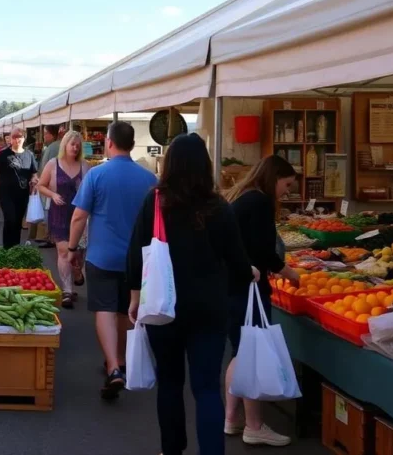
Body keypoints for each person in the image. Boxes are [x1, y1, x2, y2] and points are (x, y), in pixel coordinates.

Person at [126, 133, 258, 455]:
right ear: (205, 165)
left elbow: (135, 254)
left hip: (163, 308)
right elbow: (238, 262)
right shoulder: (219, 207)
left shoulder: (155, 202)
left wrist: (134, 298)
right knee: (207, 388)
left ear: (170, 164)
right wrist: (249, 273)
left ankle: (172, 449)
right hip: (209, 310)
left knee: (170, 383)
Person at [68, 121, 157, 399]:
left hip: (102, 256)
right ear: (132, 144)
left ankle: (113, 367)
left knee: (104, 309)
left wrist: (72, 248)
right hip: (138, 259)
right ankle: (120, 359)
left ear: (109, 142)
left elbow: (79, 217)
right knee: (126, 310)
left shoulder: (97, 175)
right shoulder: (150, 179)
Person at [223, 155, 301, 447]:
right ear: (274, 178)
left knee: (240, 351)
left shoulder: (244, 196)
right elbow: (264, 251)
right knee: (251, 353)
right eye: (287, 185)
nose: (287, 192)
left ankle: (232, 417)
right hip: (247, 288)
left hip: (232, 286)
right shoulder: (259, 202)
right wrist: (290, 273)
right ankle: (254, 426)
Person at [35, 131, 88, 308]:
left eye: (78, 145)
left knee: (78, 253)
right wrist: (53, 194)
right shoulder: (53, 164)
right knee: (64, 251)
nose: (75, 148)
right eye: (72, 144)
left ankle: (77, 272)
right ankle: (67, 290)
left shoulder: (85, 166)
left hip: (79, 214)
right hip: (59, 213)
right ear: (65, 145)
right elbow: (41, 185)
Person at [0, 128, 38, 249]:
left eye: (19, 136)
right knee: (10, 219)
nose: (17, 139)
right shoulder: (2, 155)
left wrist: (34, 180)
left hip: (22, 194)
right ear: (10, 139)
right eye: (14, 137)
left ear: (24, 138)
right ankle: (7, 249)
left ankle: (15, 249)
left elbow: (34, 173)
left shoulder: (29, 155)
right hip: (5, 194)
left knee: (18, 222)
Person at [31, 125, 62, 248]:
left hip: (49, 185)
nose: (44, 137)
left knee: (49, 211)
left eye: (45, 134)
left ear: (52, 135)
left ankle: (51, 238)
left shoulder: (53, 147)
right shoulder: (54, 146)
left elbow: (46, 168)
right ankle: (50, 236)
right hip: (52, 184)